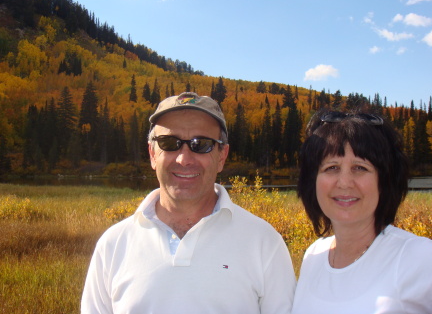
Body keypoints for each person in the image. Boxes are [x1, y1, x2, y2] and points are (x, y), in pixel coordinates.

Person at [81, 92, 296, 313]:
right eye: (169, 143)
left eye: (201, 144)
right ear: (152, 155)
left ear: (222, 156)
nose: (184, 159)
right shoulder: (113, 245)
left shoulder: (264, 242)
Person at [291, 110, 432, 314]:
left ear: (384, 181)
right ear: (313, 182)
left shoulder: (421, 259)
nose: (344, 183)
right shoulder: (314, 255)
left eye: (360, 168)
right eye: (331, 168)